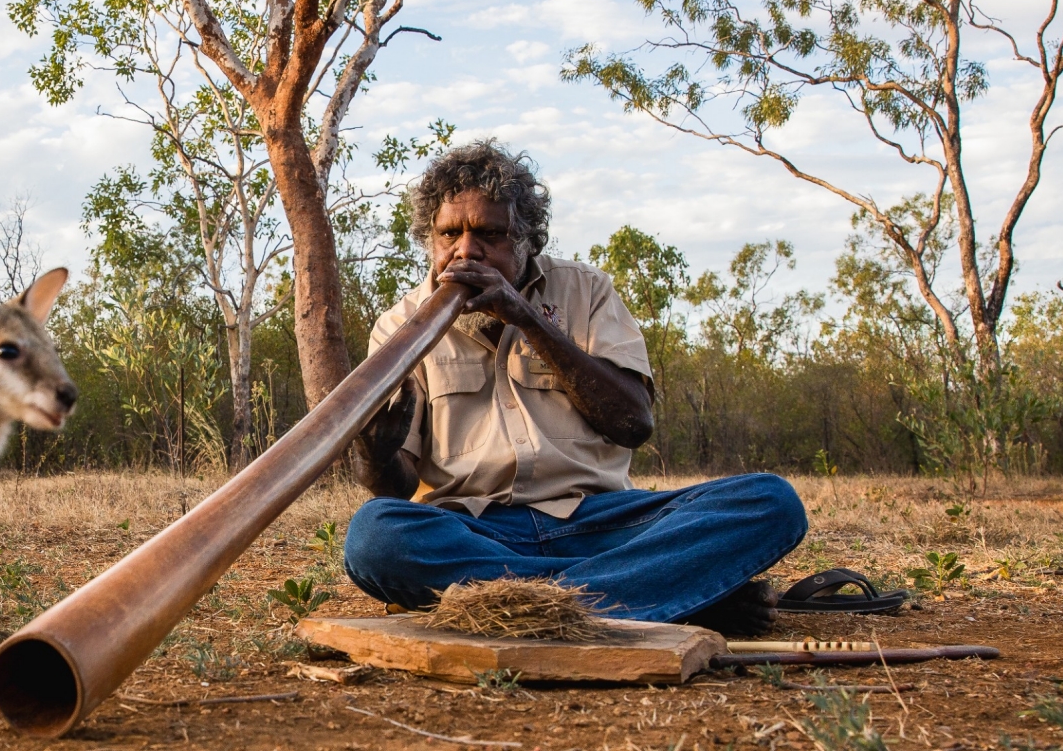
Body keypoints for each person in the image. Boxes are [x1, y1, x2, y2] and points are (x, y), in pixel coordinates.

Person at [344, 141, 807, 634]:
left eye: (489, 234)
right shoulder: (400, 325)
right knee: (375, 537)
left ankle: (522, 602)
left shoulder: (587, 292)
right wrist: (376, 453)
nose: (465, 250)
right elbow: (394, 486)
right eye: (448, 234)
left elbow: (632, 423)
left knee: (770, 501)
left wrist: (524, 317)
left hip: (605, 524)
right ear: (430, 240)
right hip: (478, 533)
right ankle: (663, 595)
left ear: (526, 240)